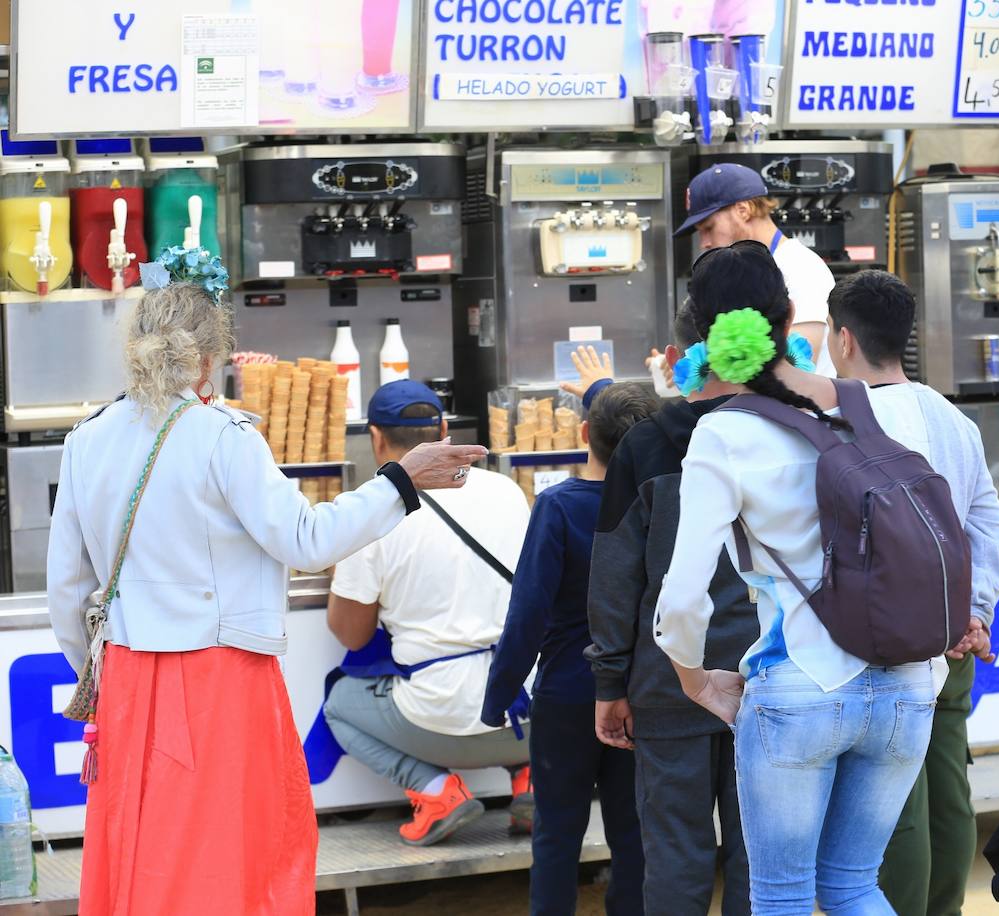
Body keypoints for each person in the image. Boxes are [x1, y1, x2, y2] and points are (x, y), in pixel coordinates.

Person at [45, 275, 483, 914]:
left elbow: (68, 589)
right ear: (207, 358)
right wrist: (399, 481)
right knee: (235, 858)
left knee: (146, 856)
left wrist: (99, 673)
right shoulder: (224, 436)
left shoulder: (87, 438)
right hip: (222, 676)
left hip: (128, 681)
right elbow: (306, 540)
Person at [655, 241, 950, 914]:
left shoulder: (722, 435)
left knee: (784, 895)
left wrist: (693, 679)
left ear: (703, 335)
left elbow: (682, 597)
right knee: (852, 886)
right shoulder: (887, 406)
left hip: (800, 684)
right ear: (791, 315)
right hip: (909, 681)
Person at [823, 270, 999, 916]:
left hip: (880, 648)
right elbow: (987, 521)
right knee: (946, 790)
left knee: (890, 804)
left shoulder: (841, 423)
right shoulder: (950, 418)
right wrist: (976, 612)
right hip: (952, 639)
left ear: (842, 339)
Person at [586, 300, 757, 916]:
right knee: (759, 860)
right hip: (765, 679)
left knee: (676, 858)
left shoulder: (646, 443)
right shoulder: (788, 429)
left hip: (667, 684)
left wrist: (610, 681)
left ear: (681, 360)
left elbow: (615, 575)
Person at [324, 380, 534, 847]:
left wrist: (350, 568)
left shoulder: (369, 512)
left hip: (437, 723)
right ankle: (533, 781)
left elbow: (351, 636)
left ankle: (438, 793)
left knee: (339, 706)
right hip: (530, 716)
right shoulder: (506, 491)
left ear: (375, 438)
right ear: (443, 429)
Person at [482, 382, 660, 915]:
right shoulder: (664, 506)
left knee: (557, 833)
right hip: (644, 692)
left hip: (565, 694)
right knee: (635, 835)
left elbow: (528, 610)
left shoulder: (559, 506)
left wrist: (500, 695)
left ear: (585, 434)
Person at [675, 162, 838, 376]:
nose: (703, 242)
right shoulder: (748, 273)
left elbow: (798, 366)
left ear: (743, 210)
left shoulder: (798, 268)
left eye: (708, 228)